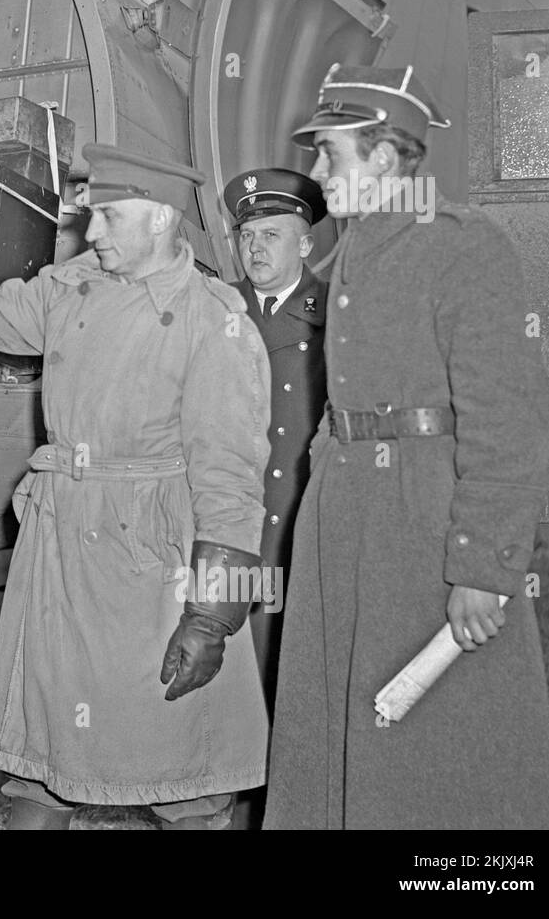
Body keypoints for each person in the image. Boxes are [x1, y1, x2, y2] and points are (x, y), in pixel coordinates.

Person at [0, 143, 272, 829]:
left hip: (150, 562)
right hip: (60, 553)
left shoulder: (214, 320)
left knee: (180, 774)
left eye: (110, 217)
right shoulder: (72, 286)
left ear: (166, 219)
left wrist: (211, 618)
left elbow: (231, 487)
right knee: (43, 761)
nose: (92, 231)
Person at [265, 64, 549, 829]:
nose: (317, 171)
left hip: (427, 526)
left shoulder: (465, 248)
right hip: (348, 517)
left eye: (331, 153)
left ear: (388, 159)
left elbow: (512, 419)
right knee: (337, 726)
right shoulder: (354, 256)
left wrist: (483, 564)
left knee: (442, 755)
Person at [220, 168, 327, 713]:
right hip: (220, 515)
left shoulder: (334, 315)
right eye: (245, 235)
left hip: (297, 517)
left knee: (285, 665)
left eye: (271, 235)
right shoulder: (213, 309)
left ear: (305, 244)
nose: (254, 248)